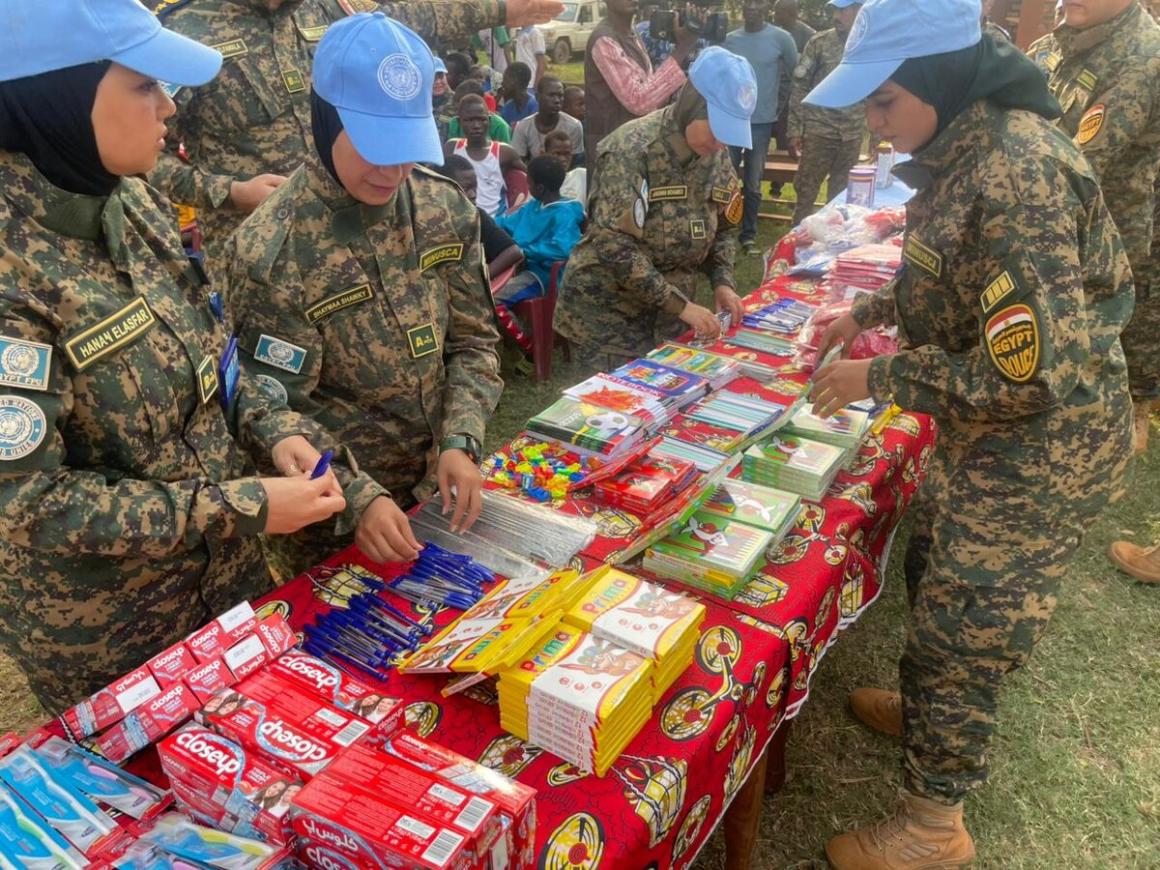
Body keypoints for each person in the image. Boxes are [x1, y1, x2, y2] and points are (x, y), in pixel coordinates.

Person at [803, 1, 1135, 866]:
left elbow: (1029, 377)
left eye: (884, 102)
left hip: (1041, 446)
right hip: (990, 432)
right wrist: (870, 312)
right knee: (932, 567)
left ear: (940, 80)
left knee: (963, 633)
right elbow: (954, 272)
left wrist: (879, 377)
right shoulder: (961, 144)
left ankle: (932, 828)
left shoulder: (1019, 174)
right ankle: (927, 715)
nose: (874, 125)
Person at [0, 0, 356, 712]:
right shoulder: (13, 274)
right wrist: (242, 504)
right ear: (56, 96)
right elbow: (26, 503)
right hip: (116, 642)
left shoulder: (132, 200)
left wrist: (273, 429)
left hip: (229, 590)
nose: (168, 107)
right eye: (143, 86)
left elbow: (213, 354)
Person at [225, 13, 504, 577]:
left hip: (441, 495)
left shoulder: (443, 207)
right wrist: (356, 494)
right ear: (325, 120)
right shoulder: (271, 250)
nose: (393, 169)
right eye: (375, 146)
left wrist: (461, 437)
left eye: (406, 147)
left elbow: (474, 342)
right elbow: (268, 408)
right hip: (333, 527)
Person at [150, 0, 564, 274]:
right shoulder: (184, 32)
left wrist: (498, 9)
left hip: (345, 235)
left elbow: (408, 15)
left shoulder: (326, 8)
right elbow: (144, 159)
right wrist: (231, 191)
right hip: (257, 251)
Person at [556, 46, 752, 370]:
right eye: (717, 128)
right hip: (610, 322)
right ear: (692, 105)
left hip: (671, 318)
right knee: (613, 402)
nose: (721, 143)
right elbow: (614, 244)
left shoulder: (716, 155)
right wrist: (680, 305)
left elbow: (726, 226)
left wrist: (722, 281)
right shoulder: (632, 150)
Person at [1028, 0, 1160, 455]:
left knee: (1107, 334)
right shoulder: (1053, 43)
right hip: (1050, 222)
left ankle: (1129, 411)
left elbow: (1080, 164)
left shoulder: (1143, 56)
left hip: (1108, 233)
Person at [725, 0, 799, 255]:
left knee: (753, 183)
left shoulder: (782, 39)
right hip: (732, 122)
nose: (753, 8)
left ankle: (748, 235)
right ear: (742, 7)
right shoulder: (730, 40)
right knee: (726, 180)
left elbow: (798, 77)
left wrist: (783, 109)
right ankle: (723, 232)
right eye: (748, 3)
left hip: (762, 124)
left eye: (758, 3)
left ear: (767, 8)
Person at [583, 0, 699, 163]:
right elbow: (638, 101)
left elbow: (650, 91)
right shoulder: (604, 40)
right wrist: (683, 48)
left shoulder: (631, 34)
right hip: (612, 153)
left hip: (632, 147)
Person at [786, 0, 867, 226]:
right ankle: (797, 239)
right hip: (819, 131)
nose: (836, 16)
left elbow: (877, 90)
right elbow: (800, 87)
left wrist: (878, 137)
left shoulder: (870, 45)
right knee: (806, 194)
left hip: (851, 134)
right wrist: (794, 129)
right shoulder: (819, 43)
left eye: (842, 10)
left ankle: (831, 242)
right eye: (834, 10)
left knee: (841, 200)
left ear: (859, 10)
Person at [495, 155, 586, 302]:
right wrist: (485, 224)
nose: (528, 187)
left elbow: (562, 248)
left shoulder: (565, 213)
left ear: (540, 188)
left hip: (541, 274)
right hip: (519, 267)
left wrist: (524, 252)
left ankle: (509, 318)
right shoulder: (533, 206)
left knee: (495, 298)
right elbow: (506, 223)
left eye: (529, 184)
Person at [442, 154, 526, 283]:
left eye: (475, 187)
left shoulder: (476, 216)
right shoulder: (426, 216)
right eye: (466, 188)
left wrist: (479, 279)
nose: (473, 194)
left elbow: (514, 252)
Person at [445, 95, 526, 215]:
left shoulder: (504, 152)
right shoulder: (452, 148)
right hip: (460, 218)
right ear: (459, 122)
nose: (476, 126)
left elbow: (531, 177)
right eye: (469, 120)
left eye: (481, 119)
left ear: (489, 120)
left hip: (493, 219)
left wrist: (518, 204)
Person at [511, 75, 585, 162]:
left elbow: (572, 163)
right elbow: (519, 161)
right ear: (537, 97)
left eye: (560, 95)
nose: (557, 100)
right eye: (551, 95)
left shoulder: (574, 126)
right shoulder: (523, 126)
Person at [446, 81, 514, 143]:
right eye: (455, 101)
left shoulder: (500, 126)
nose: (456, 106)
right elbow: (452, 148)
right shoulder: (455, 122)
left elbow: (504, 151)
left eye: (462, 102)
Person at [545, 130, 589, 203]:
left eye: (567, 154)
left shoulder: (581, 175)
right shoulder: (540, 184)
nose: (563, 159)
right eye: (557, 154)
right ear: (546, 154)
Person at [498, 62, 538, 126]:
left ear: (513, 80)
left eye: (505, 79)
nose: (502, 83)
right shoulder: (508, 108)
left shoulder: (535, 106)